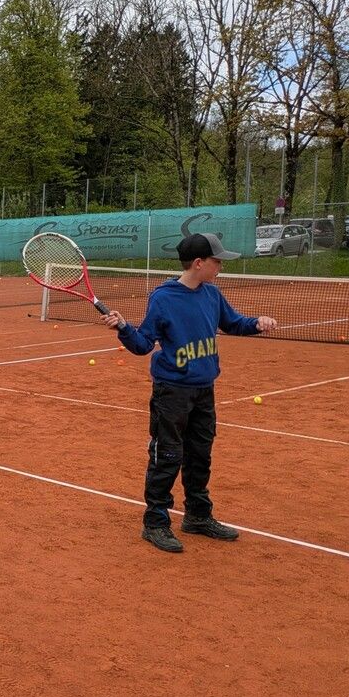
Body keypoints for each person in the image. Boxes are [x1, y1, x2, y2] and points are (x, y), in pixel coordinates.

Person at [102, 233, 277, 553]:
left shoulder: (212, 294)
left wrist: (256, 323)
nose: (220, 266)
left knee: (200, 456)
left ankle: (197, 515)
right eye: (217, 261)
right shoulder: (164, 298)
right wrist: (124, 329)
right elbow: (142, 345)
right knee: (167, 455)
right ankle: (155, 522)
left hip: (204, 390)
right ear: (198, 263)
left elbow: (234, 323)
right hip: (172, 393)